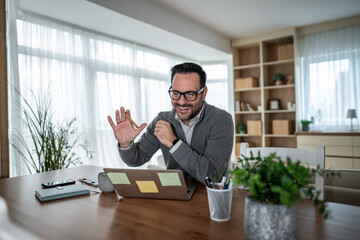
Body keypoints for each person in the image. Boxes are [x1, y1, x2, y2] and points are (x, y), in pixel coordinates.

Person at [107, 62, 234, 185]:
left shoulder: (221, 120)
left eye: (190, 94)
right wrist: (126, 144)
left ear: (204, 93)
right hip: (174, 194)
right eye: (176, 93)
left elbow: (213, 177)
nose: (182, 102)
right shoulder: (162, 119)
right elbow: (136, 159)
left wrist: (174, 143)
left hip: (208, 197)